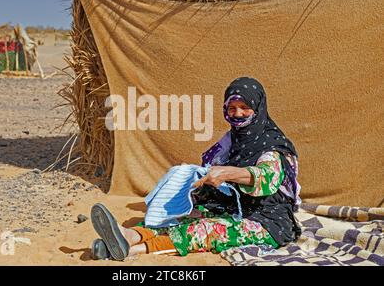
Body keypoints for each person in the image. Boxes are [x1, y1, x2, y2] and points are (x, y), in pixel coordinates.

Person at [90, 76, 302, 261]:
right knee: (179, 214)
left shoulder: (272, 145)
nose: (238, 114)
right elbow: (211, 166)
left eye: (245, 107)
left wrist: (228, 173)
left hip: (268, 220)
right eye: (232, 108)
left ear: (257, 108)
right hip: (235, 208)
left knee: (207, 231)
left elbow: (267, 178)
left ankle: (130, 250)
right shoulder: (232, 140)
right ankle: (129, 235)